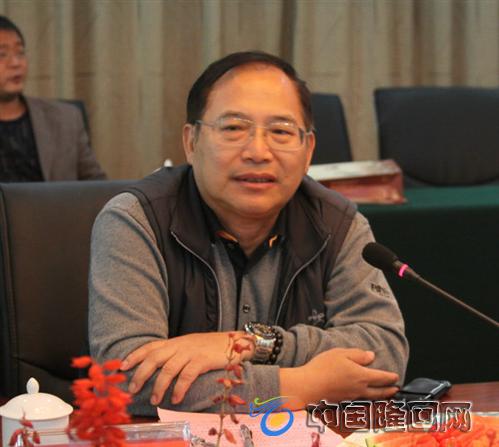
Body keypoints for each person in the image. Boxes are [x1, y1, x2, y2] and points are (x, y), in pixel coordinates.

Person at [89, 51, 408, 416]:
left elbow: (386, 354)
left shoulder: (337, 224)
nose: (258, 152)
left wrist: (251, 344)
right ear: (191, 142)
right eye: (233, 129)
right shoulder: (137, 220)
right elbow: (125, 378)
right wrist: (302, 386)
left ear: (308, 151)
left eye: (281, 132)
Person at [0, 15, 106, 181]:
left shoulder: (65, 119)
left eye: (20, 53)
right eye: (2, 54)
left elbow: (96, 184)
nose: (16, 63)